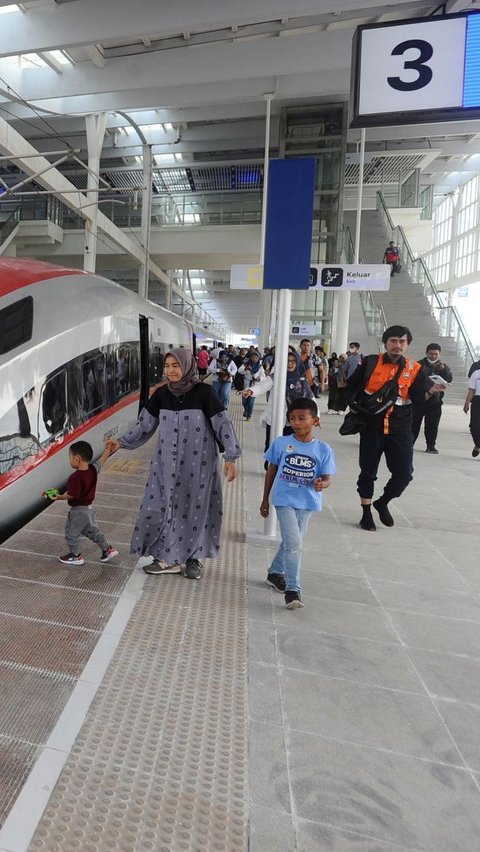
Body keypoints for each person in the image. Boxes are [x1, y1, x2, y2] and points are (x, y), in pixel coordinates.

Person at [105, 349, 241, 579]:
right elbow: (144, 426)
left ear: (187, 366)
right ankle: (168, 556)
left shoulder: (204, 393)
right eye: (167, 366)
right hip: (165, 464)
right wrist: (121, 443)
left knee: (195, 510)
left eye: (175, 366)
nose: (170, 371)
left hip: (198, 465)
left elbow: (223, 425)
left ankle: (192, 559)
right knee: (159, 507)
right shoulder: (160, 395)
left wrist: (231, 457)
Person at [346, 325, 447, 532]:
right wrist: (355, 407)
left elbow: (418, 398)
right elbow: (351, 386)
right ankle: (366, 512)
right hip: (371, 426)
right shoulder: (371, 362)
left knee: (404, 473)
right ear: (386, 343)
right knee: (368, 471)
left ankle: (383, 502)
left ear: (407, 344)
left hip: (400, 427)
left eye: (402, 341)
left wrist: (432, 391)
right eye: (393, 341)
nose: (397, 345)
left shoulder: (415, 368)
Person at [260, 398, 335, 609]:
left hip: (308, 503)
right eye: (292, 418)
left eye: (302, 418)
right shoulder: (281, 443)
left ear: (315, 421)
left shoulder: (324, 450)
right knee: (294, 544)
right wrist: (265, 498)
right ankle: (293, 590)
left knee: (292, 543)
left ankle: (275, 572)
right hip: (284, 501)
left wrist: (323, 484)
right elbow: (271, 470)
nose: (296, 422)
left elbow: (328, 477)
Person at [50, 440, 118, 566]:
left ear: (77, 459)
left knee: (71, 532)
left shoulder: (75, 477)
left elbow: (72, 495)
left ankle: (75, 556)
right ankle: (108, 549)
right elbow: (102, 460)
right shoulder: (92, 469)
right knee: (92, 531)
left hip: (78, 511)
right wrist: (108, 449)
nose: (69, 460)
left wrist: (58, 497)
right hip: (89, 509)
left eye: (70, 457)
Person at [412, 343, 452, 454]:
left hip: (435, 401)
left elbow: (448, 379)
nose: (433, 356)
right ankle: (410, 443)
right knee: (414, 423)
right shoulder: (418, 365)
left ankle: (431, 445)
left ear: (439, 354)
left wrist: (444, 371)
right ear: (426, 353)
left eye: (436, 354)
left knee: (432, 425)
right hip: (419, 399)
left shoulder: (444, 367)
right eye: (431, 354)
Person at [238, 350, 265, 420]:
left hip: (255, 385)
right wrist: (245, 369)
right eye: (253, 357)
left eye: (256, 358)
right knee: (244, 400)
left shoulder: (260, 367)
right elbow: (239, 371)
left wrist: (259, 379)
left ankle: (249, 415)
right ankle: (246, 410)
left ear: (258, 358)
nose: (254, 359)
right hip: (247, 383)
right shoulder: (246, 364)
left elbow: (263, 377)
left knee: (251, 401)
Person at [463, 364, 480, 457]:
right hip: (477, 401)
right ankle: (478, 444)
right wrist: (466, 403)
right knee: (474, 426)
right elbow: (472, 390)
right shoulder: (476, 373)